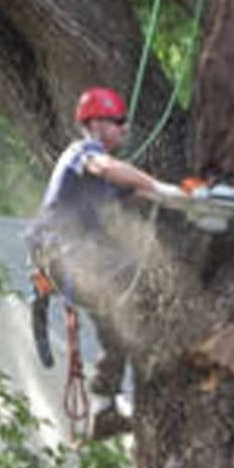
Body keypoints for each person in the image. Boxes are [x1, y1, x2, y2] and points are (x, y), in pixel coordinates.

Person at [26, 87, 184, 439]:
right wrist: (160, 187)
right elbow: (111, 169)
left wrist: (190, 199)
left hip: (76, 259)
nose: (124, 131)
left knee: (118, 321)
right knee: (139, 276)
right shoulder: (84, 153)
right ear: (96, 123)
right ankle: (159, 359)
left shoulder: (105, 175)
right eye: (118, 123)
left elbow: (140, 190)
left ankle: (105, 408)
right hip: (64, 254)